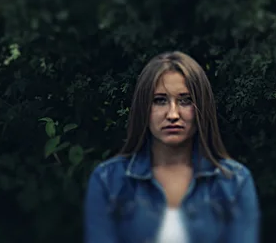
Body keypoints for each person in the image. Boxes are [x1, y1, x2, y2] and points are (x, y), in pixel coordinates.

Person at [84, 50, 260, 243]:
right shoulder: (108, 181)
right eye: (160, 100)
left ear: (202, 107)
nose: (173, 114)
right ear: (144, 108)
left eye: (185, 101)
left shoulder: (235, 182)